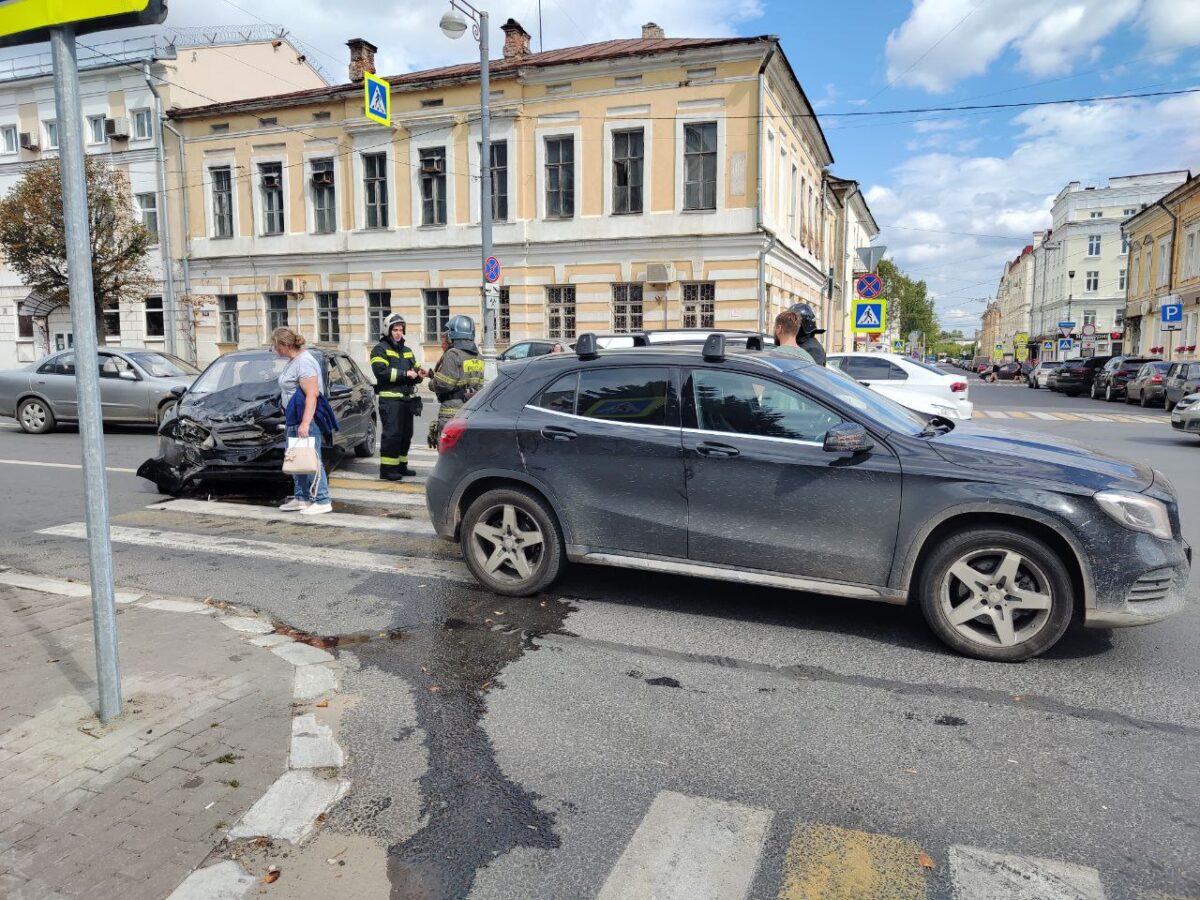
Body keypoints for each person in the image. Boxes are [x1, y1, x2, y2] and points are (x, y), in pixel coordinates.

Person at [272, 327, 333, 516]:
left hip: (305, 419)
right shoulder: (293, 361)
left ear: (284, 344)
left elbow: (312, 395)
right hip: (293, 418)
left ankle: (323, 500)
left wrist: (305, 423)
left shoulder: (304, 362)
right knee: (297, 458)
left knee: (312, 459)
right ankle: (301, 498)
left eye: (275, 345)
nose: (274, 349)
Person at [370, 314, 423, 481]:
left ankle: (401, 466)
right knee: (392, 435)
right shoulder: (380, 349)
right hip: (390, 400)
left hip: (407, 400)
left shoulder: (407, 351)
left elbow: (415, 370)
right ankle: (387, 470)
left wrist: (420, 375)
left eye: (400, 330)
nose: (398, 333)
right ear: (388, 330)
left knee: (406, 435)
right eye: (395, 330)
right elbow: (381, 372)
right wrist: (405, 374)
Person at [428, 315, 485, 449]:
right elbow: (480, 385)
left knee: (448, 451)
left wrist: (431, 383)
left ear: (453, 334)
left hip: (451, 412)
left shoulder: (453, 354)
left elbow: (444, 383)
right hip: (470, 410)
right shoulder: (478, 356)